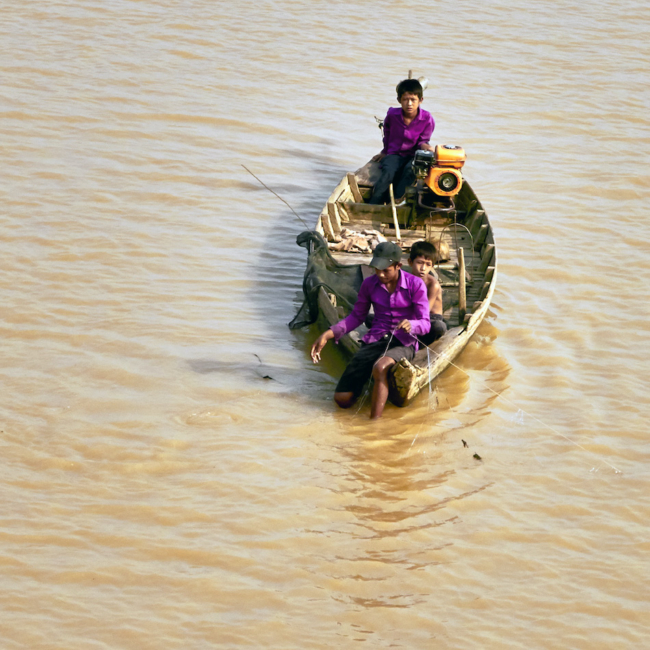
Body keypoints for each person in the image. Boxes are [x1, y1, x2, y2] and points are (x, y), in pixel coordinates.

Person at [310, 242, 430, 419]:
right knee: (342, 399)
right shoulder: (369, 284)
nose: (380, 274)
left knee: (380, 367)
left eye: (386, 270)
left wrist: (412, 325)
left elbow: (425, 324)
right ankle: (369, 390)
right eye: (376, 269)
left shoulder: (416, 285)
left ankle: (374, 424)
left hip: (404, 341)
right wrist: (328, 334)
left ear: (398, 266)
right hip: (376, 338)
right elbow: (356, 317)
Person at [369, 78, 435, 205]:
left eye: (413, 100)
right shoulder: (392, 115)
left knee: (410, 171)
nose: (409, 103)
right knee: (388, 172)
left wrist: (428, 148)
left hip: (413, 155)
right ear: (399, 100)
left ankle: (396, 201)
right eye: (405, 99)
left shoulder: (427, 119)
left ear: (420, 100)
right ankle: (374, 204)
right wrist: (384, 152)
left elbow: (423, 141)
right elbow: (387, 133)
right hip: (395, 153)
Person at [405, 240, 448, 346]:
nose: (423, 268)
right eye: (419, 263)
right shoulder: (406, 279)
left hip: (429, 318)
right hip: (411, 314)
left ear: (432, 266)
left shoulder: (433, 285)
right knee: (372, 318)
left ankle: (414, 342)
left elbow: (424, 312)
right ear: (410, 262)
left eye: (428, 265)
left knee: (439, 327)